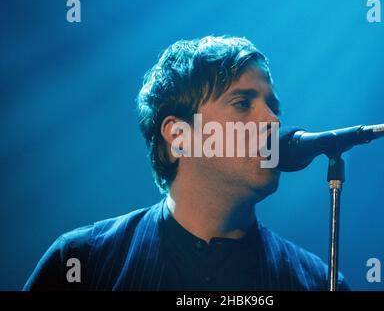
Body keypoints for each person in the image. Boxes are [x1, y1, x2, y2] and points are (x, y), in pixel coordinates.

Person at [24, 35, 350, 290]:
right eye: (242, 103)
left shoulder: (319, 282)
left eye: (273, 107)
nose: (272, 121)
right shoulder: (83, 262)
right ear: (178, 136)